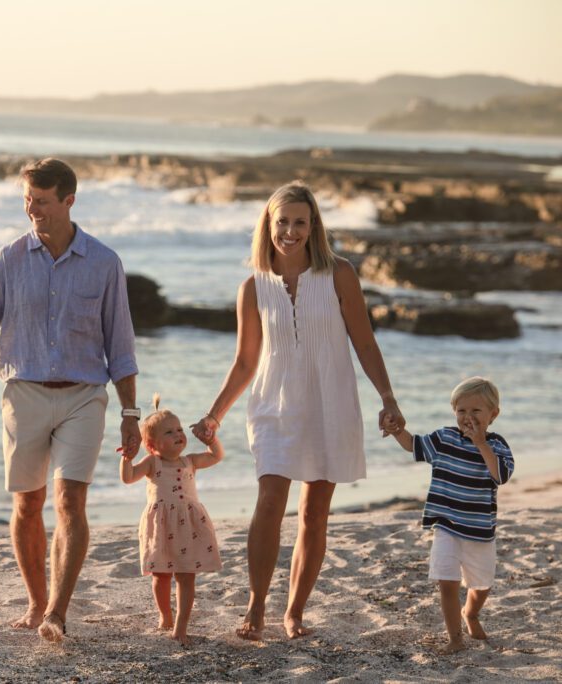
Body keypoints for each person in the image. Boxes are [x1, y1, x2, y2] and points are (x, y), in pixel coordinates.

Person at [0, 158, 140, 642]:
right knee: (27, 504)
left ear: (68, 201)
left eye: (41, 201)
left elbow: (120, 346)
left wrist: (130, 412)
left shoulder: (104, 263)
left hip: (84, 396)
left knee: (69, 501)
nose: (31, 210)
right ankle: (37, 599)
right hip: (24, 395)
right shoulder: (9, 260)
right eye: (26, 201)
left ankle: (57, 611)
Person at [191, 180, 405, 640]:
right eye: (282, 221)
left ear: (313, 227)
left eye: (299, 222)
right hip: (274, 403)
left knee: (314, 513)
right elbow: (246, 360)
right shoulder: (252, 287)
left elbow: (364, 341)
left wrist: (387, 398)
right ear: (268, 225)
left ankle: (295, 612)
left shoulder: (340, 274)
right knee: (269, 501)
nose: (290, 231)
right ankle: (256, 605)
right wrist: (214, 416)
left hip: (331, 401)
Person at [389, 377, 514, 654]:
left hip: (480, 530)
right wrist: (398, 430)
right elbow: (413, 446)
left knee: (481, 586)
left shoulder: (498, 446)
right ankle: (455, 638)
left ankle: (470, 613)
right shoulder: (444, 438)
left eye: (476, 411)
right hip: (446, 525)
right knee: (447, 581)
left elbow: (500, 476)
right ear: (453, 412)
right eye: (461, 411)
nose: (467, 417)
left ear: (493, 415)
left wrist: (481, 444)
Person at [120, 394, 224, 647]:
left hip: (188, 524)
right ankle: (165, 615)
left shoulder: (190, 461)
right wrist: (126, 458)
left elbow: (216, 456)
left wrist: (213, 439)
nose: (178, 434)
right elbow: (128, 477)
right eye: (169, 432)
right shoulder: (152, 463)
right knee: (161, 575)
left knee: (187, 575)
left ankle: (181, 626)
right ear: (153, 444)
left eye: (179, 429)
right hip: (161, 525)